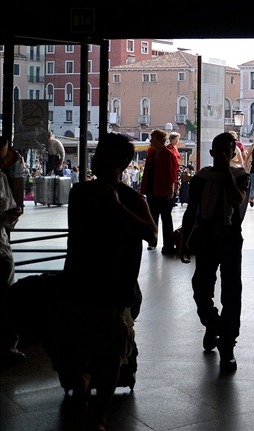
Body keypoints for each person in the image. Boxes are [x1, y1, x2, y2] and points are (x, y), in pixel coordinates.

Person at [59, 133, 157, 429]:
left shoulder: (131, 199)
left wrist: (116, 208)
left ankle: (99, 414)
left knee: (110, 353)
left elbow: (152, 235)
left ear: (123, 162)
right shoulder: (81, 193)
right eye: (99, 152)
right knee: (75, 352)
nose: (97, 158)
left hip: (112, 287)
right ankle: (84, 384)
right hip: (82, 282)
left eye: (105, 154)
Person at [179, 133, 251, 371]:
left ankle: (228, 346)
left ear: (233, 154)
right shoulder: (201, 178)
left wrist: (227, 173)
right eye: (217, 150)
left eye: (226, 151)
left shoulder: (241, 177)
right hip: (207, 236)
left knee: (231, 292)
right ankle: (212, 322)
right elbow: (191, 210)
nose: (221, 154)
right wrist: (184, 241)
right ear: (211, 153)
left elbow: (236, 201)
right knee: (200, 286)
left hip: (230, 238)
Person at [1, 136, 24, 367]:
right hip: (1, 248)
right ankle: (8, 346)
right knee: (6, 298)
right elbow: (7, 220)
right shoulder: (1, 179)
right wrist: (9, 216)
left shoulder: (1, 179)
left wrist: (10, 215)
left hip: (1, 246)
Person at [140, 129, 180, 254]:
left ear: (159, 140)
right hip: (152, 189)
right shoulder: (151, 153)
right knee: (152, 217)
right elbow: (147, 172)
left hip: (164, 191)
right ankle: (153, 241)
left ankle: (168, 245)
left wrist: (171, 189)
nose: (150, 141)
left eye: (152, 138)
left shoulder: (168, 154)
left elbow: (172, 174)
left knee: (166, 218)